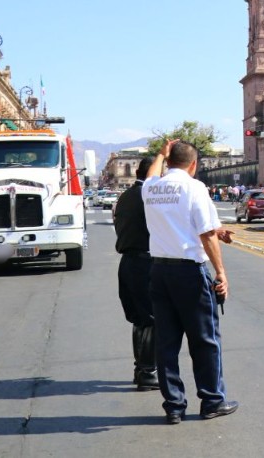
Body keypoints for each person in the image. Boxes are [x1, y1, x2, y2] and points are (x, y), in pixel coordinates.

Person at [143, 140, 238, 424]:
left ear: (168, 162)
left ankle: (173, 405)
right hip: (189, 272)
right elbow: (207, 233)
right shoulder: (194, 188)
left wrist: (161, 154)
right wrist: (221, 272)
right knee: (205, 340)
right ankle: (211, 400)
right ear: (193, 165)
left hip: (159, 271)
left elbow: (150, 174)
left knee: (167, 342)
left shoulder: (151, 188)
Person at [114, 157, 159, 392]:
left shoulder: (126, 196)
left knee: (140, 320)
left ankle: (141, 368)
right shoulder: (148, 197)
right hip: (144, 262)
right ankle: (148, 372)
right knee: (151, 319)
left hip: (128, 263)